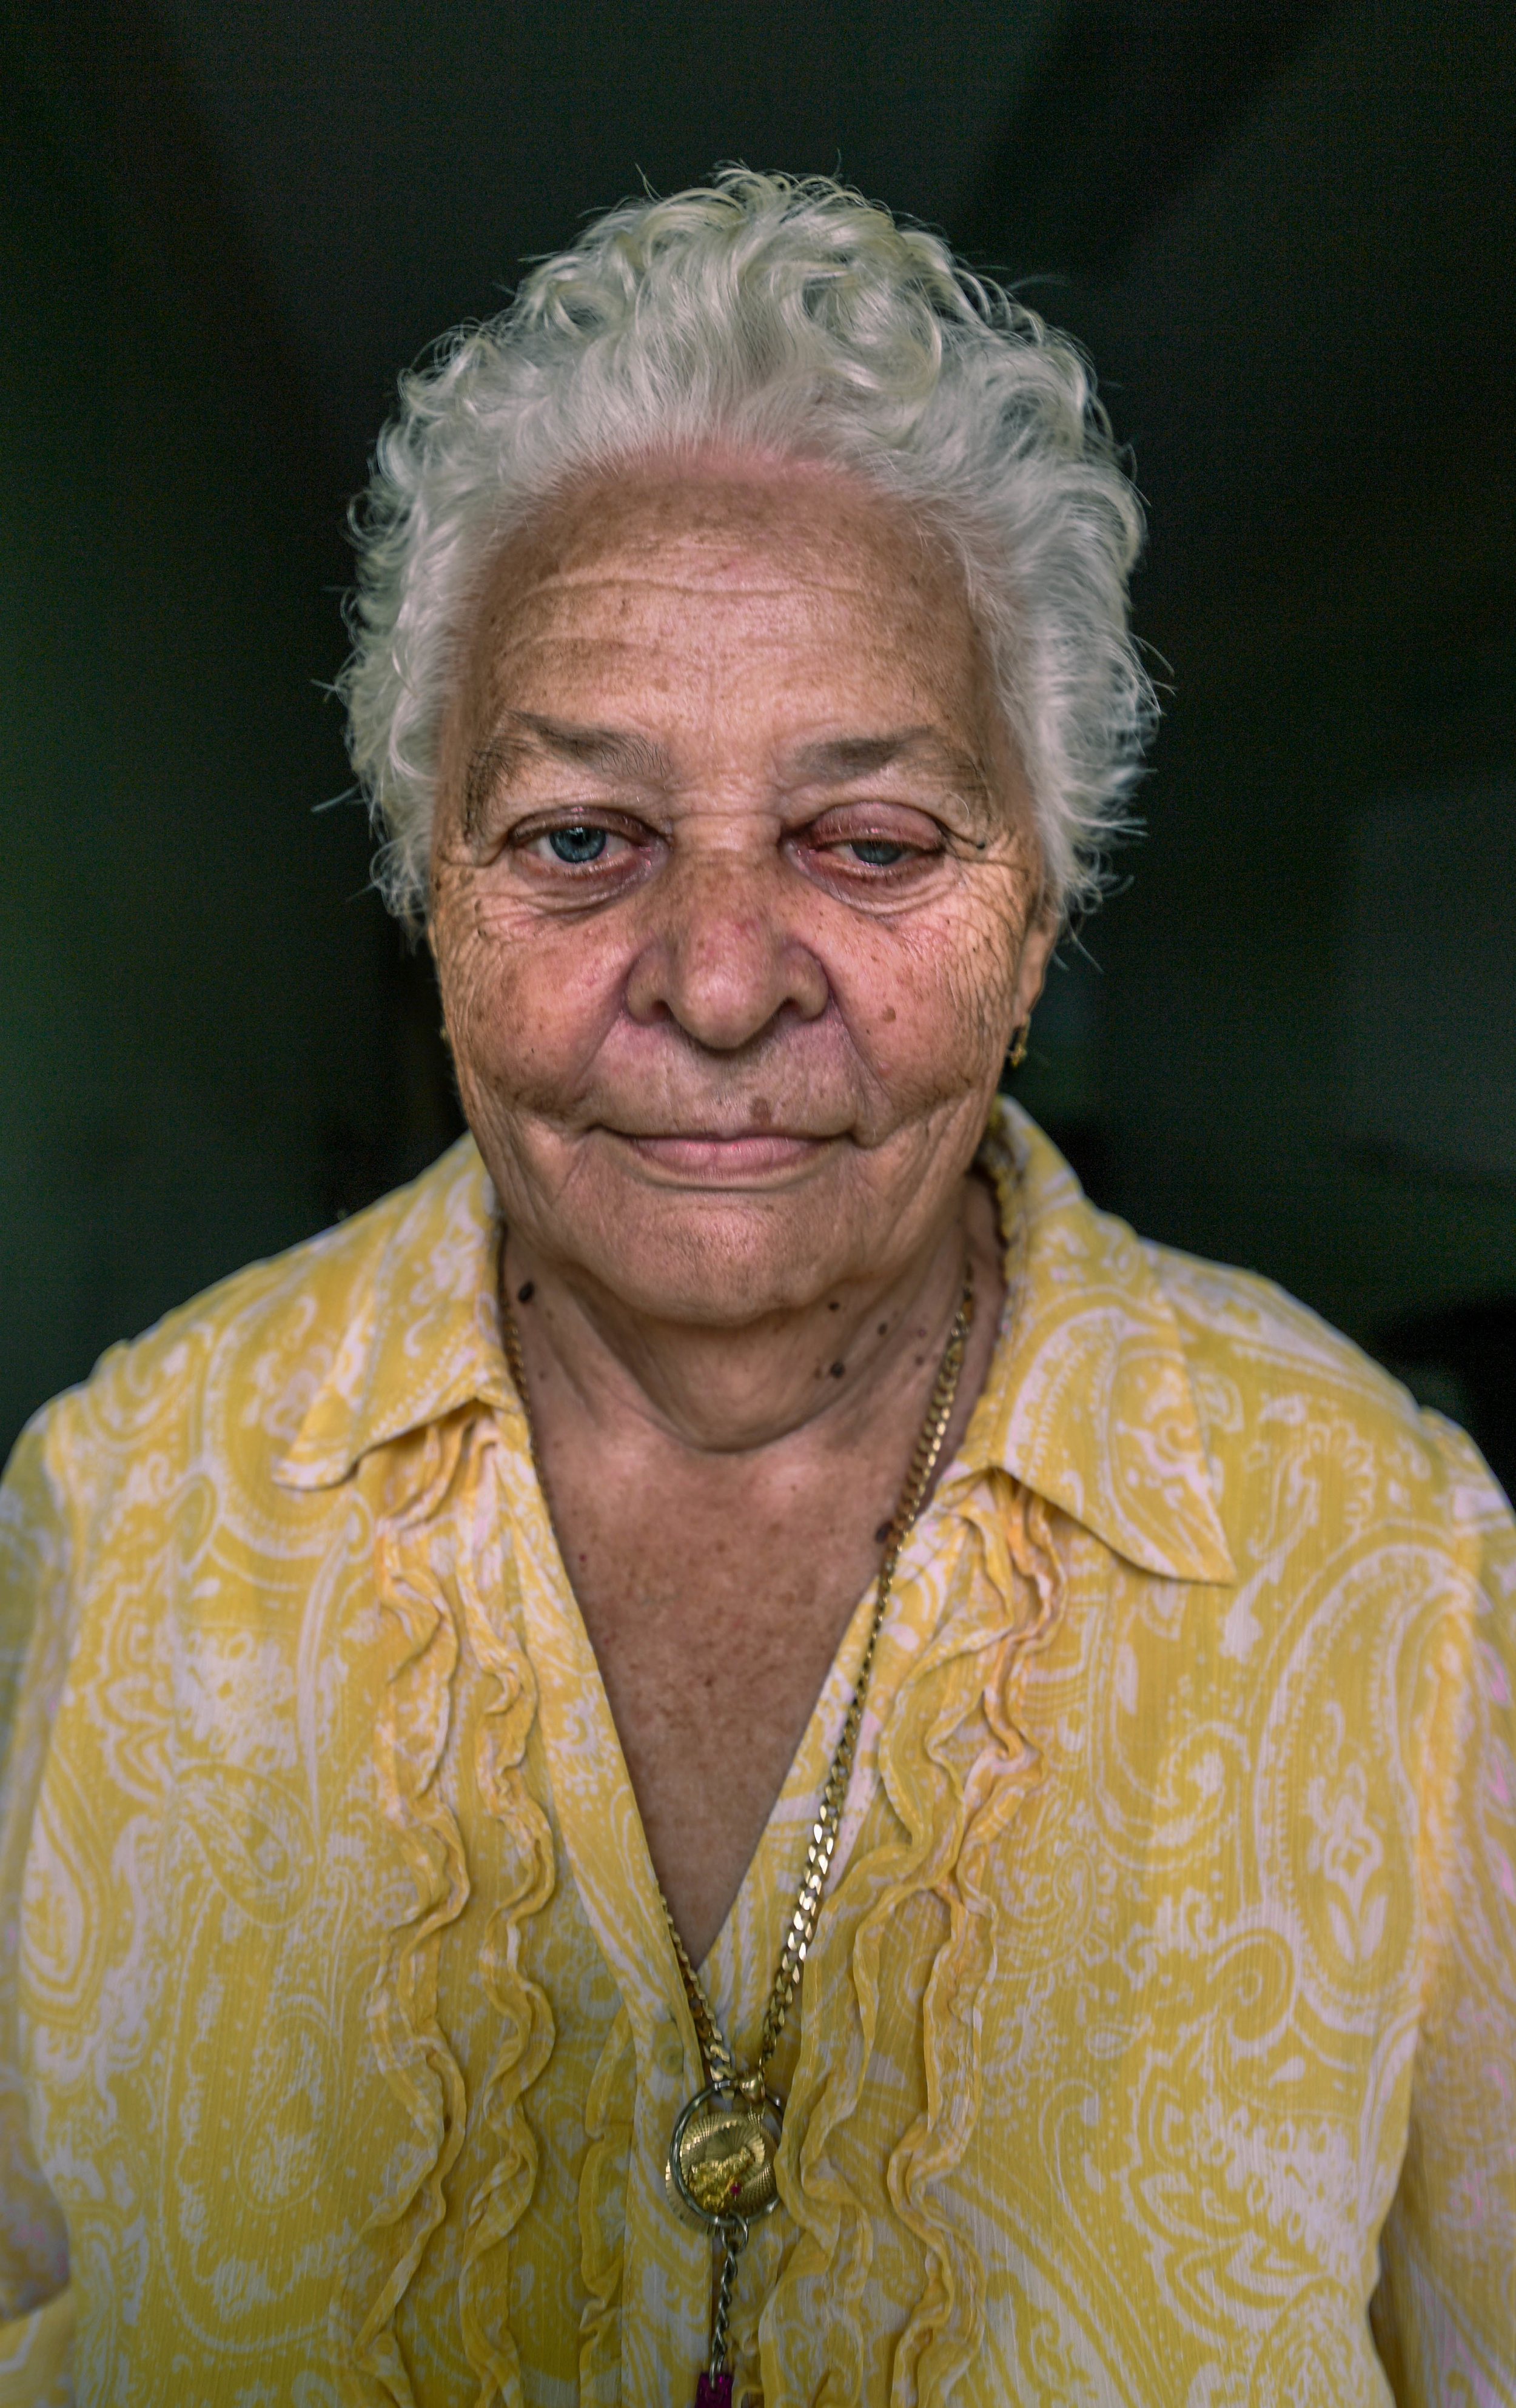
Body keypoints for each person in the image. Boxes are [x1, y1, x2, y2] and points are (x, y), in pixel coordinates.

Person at [0, 170, 1511, 2408]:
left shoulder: (1385, 1561)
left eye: (873, 840)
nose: (715, 981)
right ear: (430, 889)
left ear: (1036, 909)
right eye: (580, 840)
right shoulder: (122, 1508)